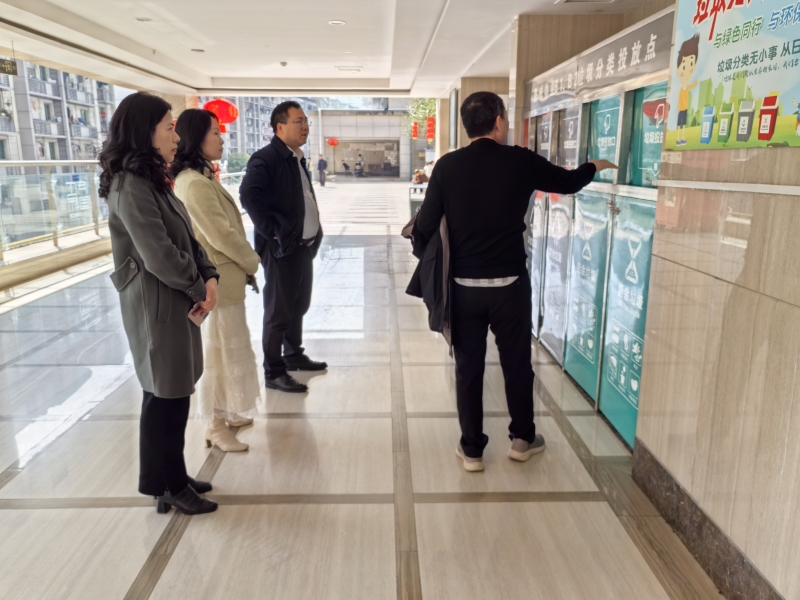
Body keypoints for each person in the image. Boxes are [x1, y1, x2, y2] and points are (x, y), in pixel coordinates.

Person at [414, 91, 616, 472]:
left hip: (464, 289)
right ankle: (522, 439)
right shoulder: (520, 160)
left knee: (468, 370)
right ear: (498, 121)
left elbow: (424, 224)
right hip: (510, 287)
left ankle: (472, 450)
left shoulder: (447, 167)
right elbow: (568, 182)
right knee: (517, 365)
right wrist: (594, 165)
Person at [99, 92, 219, 515]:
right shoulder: (131, 186)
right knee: (165, 397)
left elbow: (187, 236)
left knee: (171, 394)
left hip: (172, 299)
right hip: (157, 306)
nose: (176, 135)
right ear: (144, 132)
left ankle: (167, 477)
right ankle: (169, 485)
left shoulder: (151, 179)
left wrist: (208, 274)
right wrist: (198, 286)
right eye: (168, 127)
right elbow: (160, 254)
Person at [172, 108, 261, 453]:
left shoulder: (200, 177)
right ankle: (214, 425)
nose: (222, 140)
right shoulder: (194, 183)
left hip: (226, 282)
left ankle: (225, 413)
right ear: (196, 138)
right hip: (217, 283)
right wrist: (252, 260)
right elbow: (221, 234)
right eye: (215, 132)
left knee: (227, 351)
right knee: (217, 355)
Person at [240, 101, 327, 393]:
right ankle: (274, 371)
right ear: (280, 127)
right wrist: (272, 232)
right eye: (298, 121)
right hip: (282, 250)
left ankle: (293, 355)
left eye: (306, 121)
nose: (305, 127)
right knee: (278, 313)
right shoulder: (266, 158)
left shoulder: (295, 157)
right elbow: (249, 194)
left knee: (297, 305)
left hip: (302, 246)